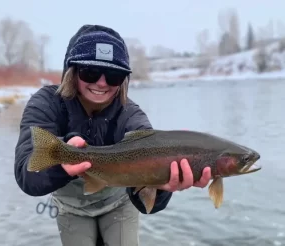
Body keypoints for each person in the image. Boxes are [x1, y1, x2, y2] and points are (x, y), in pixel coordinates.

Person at [14, 24, 211, 246]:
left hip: (119, 203)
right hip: (70, 207)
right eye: (90, 71)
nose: (101, 82)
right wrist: (61, 164)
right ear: (73, 70)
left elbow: (148, 205)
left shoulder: (130, 115)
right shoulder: (47, 103)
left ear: (123, 80)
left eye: (114, 75)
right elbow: (27, 176)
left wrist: (161, 183)